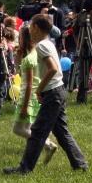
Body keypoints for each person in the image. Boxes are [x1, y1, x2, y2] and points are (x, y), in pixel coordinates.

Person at [3, 14, 87, 175]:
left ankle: (25, 168)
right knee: (61, 132)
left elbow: (53, 68)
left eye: (30, 26)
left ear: (35, 27)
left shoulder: (41, 45)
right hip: (59, 91)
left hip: (53, 93)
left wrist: (39, 89)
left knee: (37, 132)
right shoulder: (48, 43)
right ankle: (80, 164)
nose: (29, 30)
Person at [12, 26, 58, 164]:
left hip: (29, 96)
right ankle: (42, 144)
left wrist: (25, 106)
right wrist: (17, 58)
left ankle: (48, 144)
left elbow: (30, 83)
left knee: (18, 129)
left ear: (22, 38)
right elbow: (20, 72)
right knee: (29, 127)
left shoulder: (29, 59)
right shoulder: (33, 53)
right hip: (33, 95)